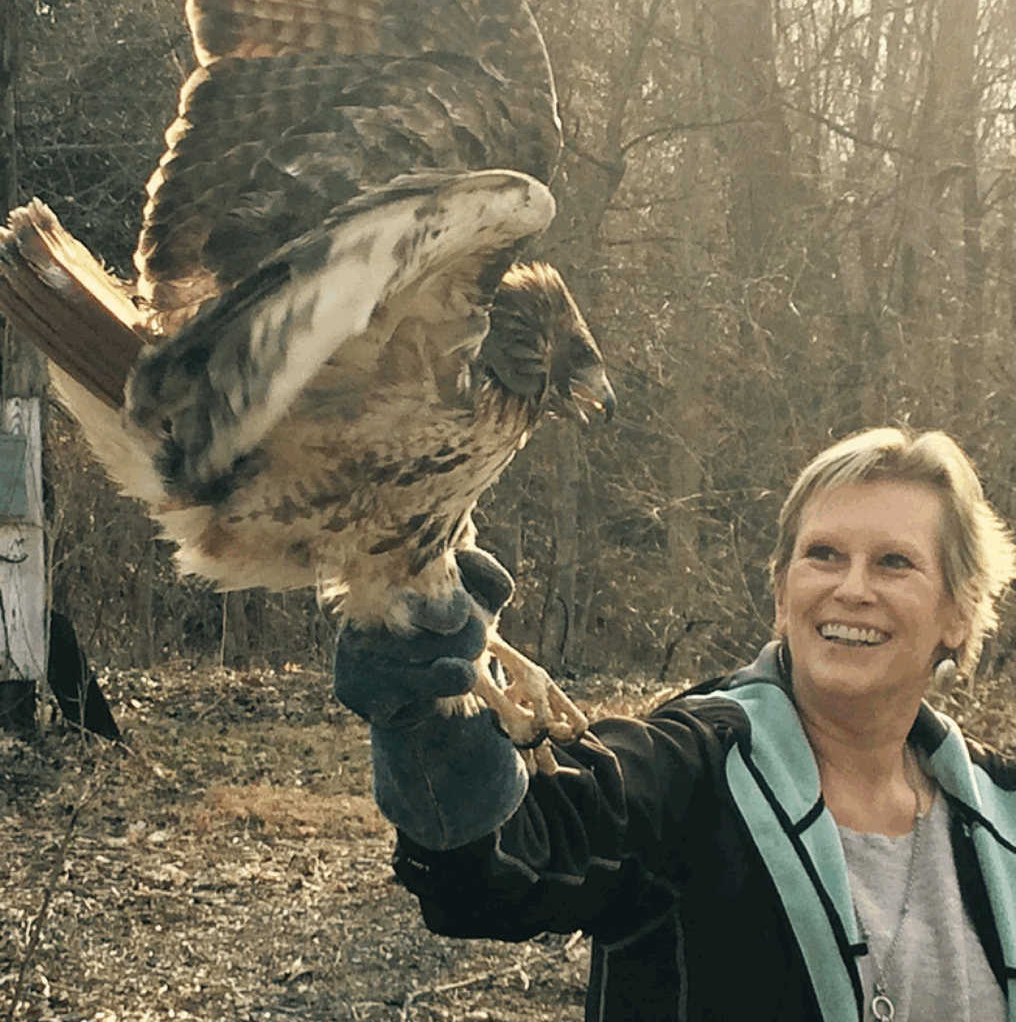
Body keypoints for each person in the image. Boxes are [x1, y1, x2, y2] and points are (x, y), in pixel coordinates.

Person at [335, 427, 1016, 1022]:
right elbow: (507, 858)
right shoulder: (691, 768)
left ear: (959, 613)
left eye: (894, 562)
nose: (853, 588)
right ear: (782, 596)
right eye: (824, 555)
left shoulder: (1003, 810)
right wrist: (429, 723)